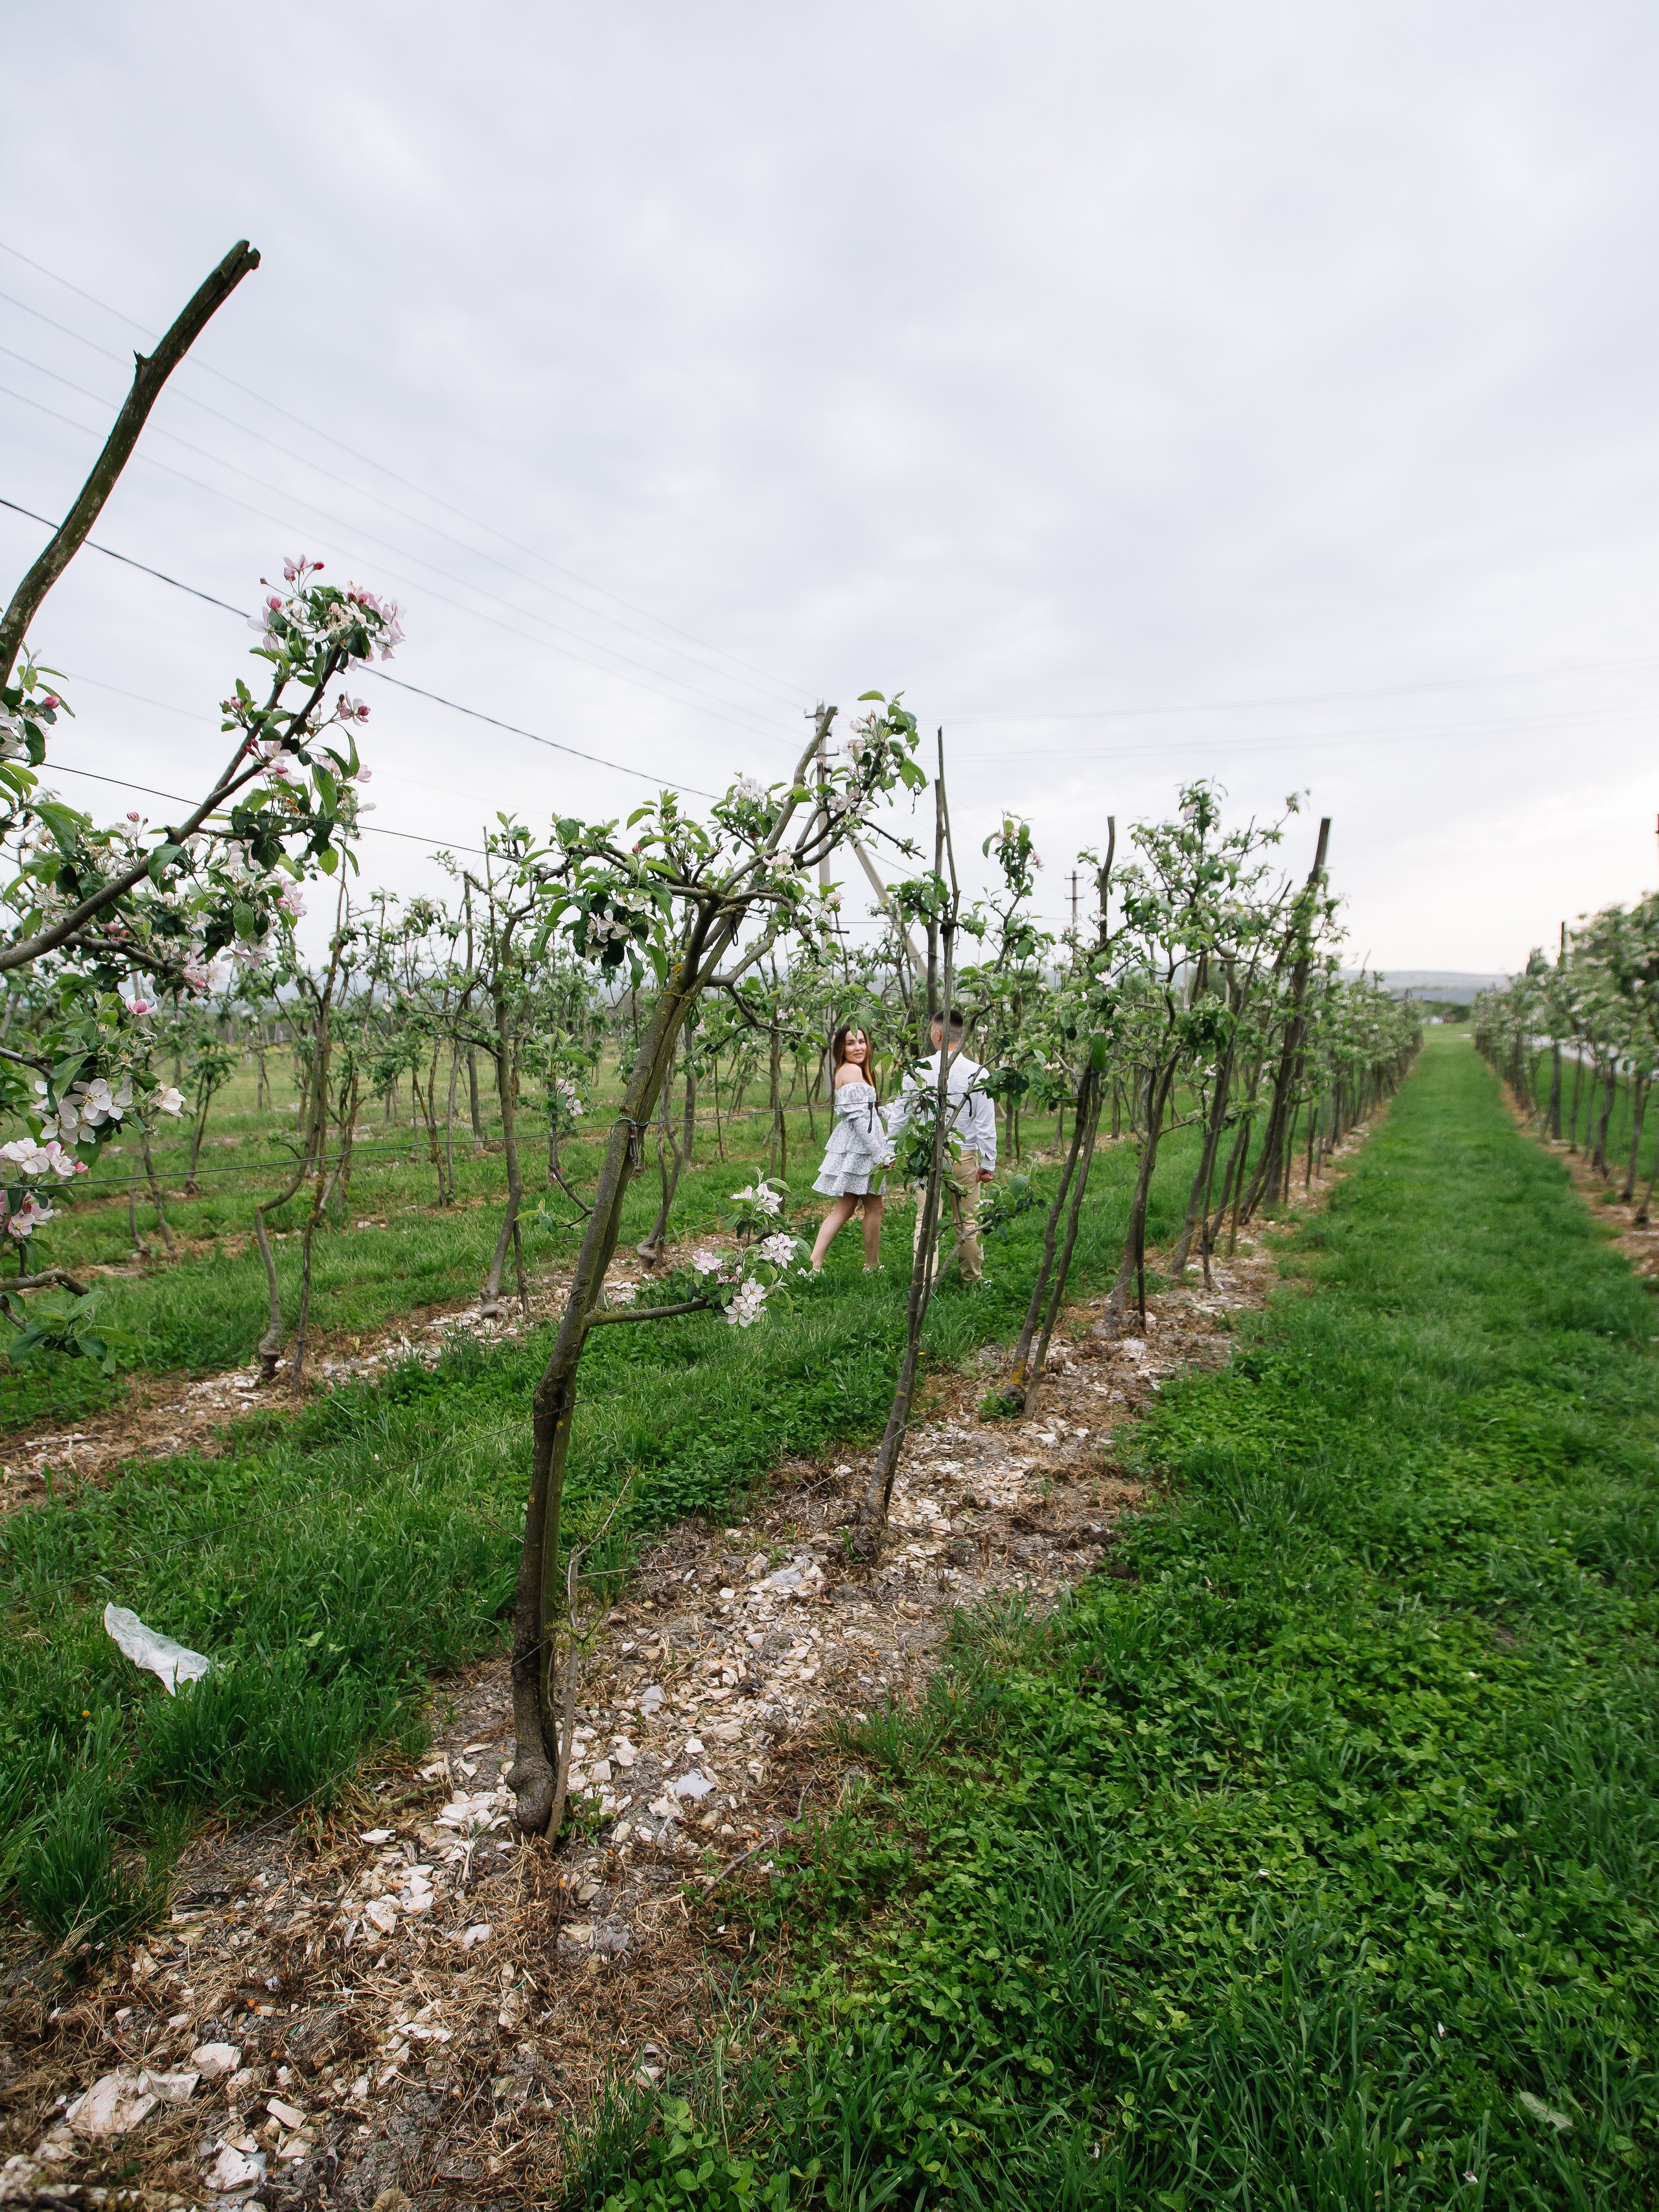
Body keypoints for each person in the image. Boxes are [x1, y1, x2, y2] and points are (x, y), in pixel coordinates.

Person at [890, 1007, 996, 1284]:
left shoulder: (917, 1071)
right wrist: (988, 1164)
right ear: (962, 1038)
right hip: (966, 1155)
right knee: (969, 1221)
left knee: (926, 1223)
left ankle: (924, 1283)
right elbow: (986, 1123)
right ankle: (973, 1279)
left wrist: (891, 1152)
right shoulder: (979, 1073)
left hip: (928, 1154)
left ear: (937, 1035)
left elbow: (901, 1117)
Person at [809, 1024, 892, 1272]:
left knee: (844, 1209)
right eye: (850, 1043)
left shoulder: (850, 1071)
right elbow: (858, 1119)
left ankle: (814, 1263)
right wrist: (881, 1154)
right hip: (862, 1148)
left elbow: (869, 1110)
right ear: (841, 1048)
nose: (858, 1047)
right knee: (874, 1206)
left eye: (861, 1041)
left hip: (855, 1145)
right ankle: (872, 1265)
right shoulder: (853, 1072)